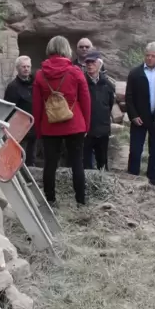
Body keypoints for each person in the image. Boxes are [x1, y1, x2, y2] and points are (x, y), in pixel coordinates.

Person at [32, 36, 91, 206]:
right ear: (67, 49)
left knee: (50, 164)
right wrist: (86, 125)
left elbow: (37, 106)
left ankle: (50, 200)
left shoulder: (40, 75)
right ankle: (80, 201)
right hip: (75, 123)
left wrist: (38, 129)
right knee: (77, 163)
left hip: (50, 125)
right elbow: (86, 101)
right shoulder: (75, 72)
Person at [124, 42, 155, 185]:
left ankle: (153, 179)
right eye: (147, 55)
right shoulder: (135, 73)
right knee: (135, 150)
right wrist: (133, 116)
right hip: (139, 118)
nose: (150, 58)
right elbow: (129, 97)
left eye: (153, 56)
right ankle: (132, 179)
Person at [83, 53, 116, 170]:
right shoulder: (81, 82)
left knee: (102, 162)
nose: (90, 65)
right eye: (88, 63)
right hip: (86, 130)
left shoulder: (107, 84)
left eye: (93, 62)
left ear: (99, 64)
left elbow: (110, 104)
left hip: (103, 128)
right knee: (85, 164)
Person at [4, 55, 38, 167]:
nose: (26, 69)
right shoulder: (13, 87)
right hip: (19, 125)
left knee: (31, 155)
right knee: (18, 154)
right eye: (23, 66)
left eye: (28, 66)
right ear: (18, 68)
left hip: (33, 123)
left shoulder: (35, 84)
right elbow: (8, 108)